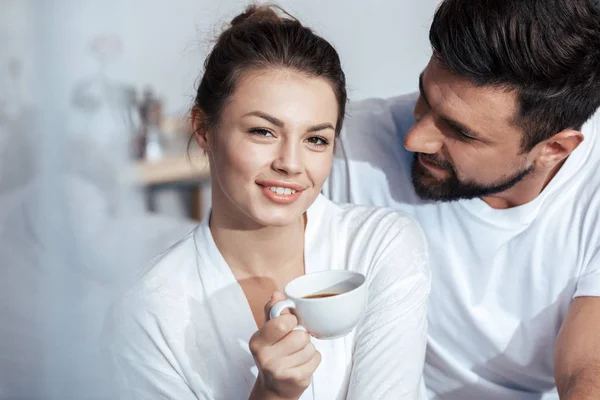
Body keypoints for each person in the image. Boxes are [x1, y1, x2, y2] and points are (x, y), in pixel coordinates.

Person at [102, 5, 430, 400]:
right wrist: (271, 394)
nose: (290, 164)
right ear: (203, 129)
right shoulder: (149, 315)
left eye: (316, 139)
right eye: (263, 131)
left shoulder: (380, 246)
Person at [324, 0, 600, 398]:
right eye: (425, 97)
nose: (414, 138)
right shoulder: (344, 148)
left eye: (460, 132)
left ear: (554, 149)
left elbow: (587, 372)